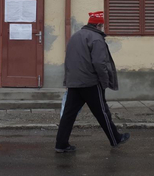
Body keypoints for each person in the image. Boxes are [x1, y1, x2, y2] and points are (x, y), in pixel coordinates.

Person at [55, 11, 130, 153]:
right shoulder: (96, 38)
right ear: (99, 25)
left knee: (68, 114)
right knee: (102, 112)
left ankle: (61, 144)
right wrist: (104, 82)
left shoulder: (75, 36)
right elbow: (99, 63)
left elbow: (69, 59)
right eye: (102, 25)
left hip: (74, 82)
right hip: (90, 82)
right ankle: (116, 139)